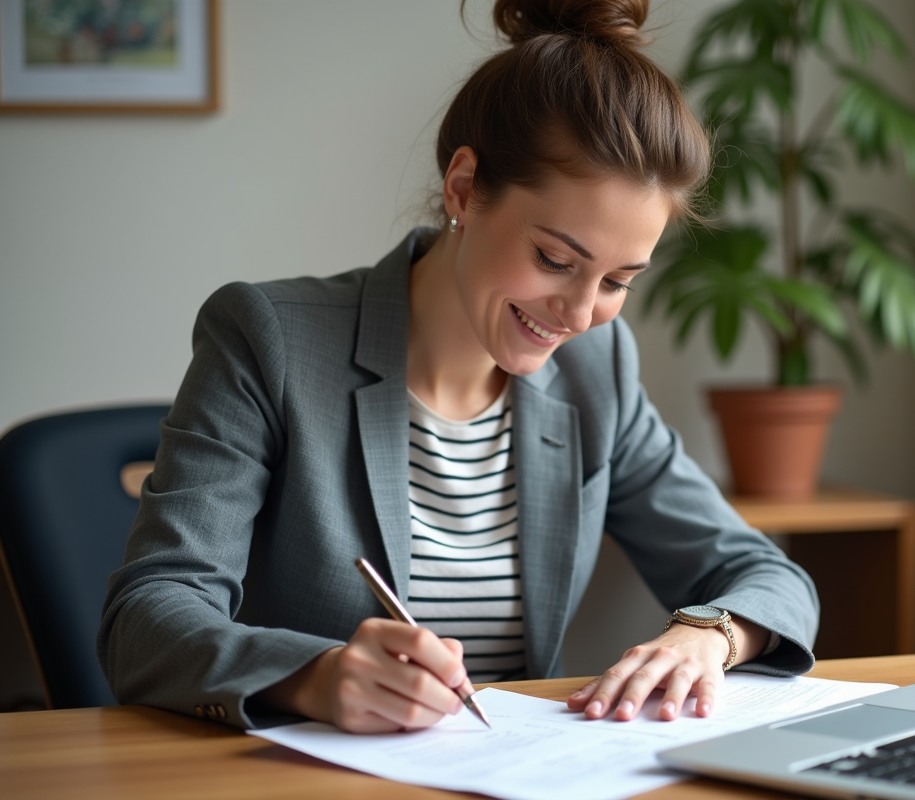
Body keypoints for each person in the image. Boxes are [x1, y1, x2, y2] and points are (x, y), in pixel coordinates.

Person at [98, 0, 819, 733]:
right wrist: (316, 678)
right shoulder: (269, 339)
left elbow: (767, 576)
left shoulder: (594, 371)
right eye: (555, 259)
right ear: (464, 189)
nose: (576, 314)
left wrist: (709, 634)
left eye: (616, 281)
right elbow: (148, 616)